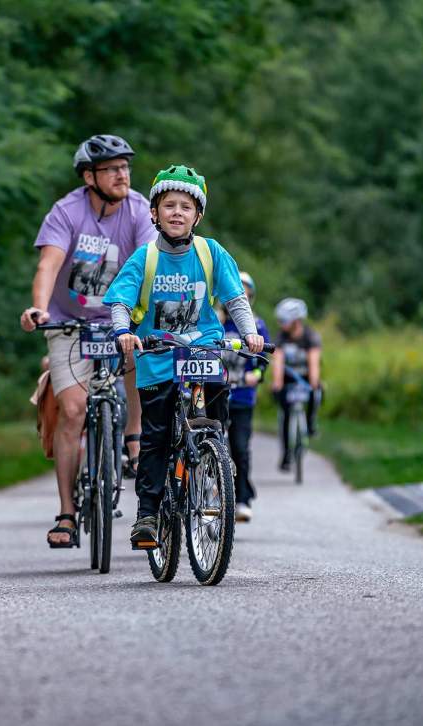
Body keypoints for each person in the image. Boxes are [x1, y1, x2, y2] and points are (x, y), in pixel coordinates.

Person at [103, 165, 264, 548]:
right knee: (156, 438)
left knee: (212, 423)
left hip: (203, 351)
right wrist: (124, 332)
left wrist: (251, 334)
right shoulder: (145, 258)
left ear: (198, 215)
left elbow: (234, 299)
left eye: (186, 207)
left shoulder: (211, 253)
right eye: (169, 205)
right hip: (157, 357)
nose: (177, 212)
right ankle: (147, 515)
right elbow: (121, 302)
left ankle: (210, 471)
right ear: (154, 214)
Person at [19, 134, 155, 547]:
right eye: (113, 168)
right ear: (89, 175)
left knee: (137, 350)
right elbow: (48, 265)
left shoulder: (137, 210)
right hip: (68, 323)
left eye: (125, 167)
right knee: (73, 411)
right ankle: (66, 513)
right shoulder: (67, 211)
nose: (123, 175)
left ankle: (133, 436)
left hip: (119, 320)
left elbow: (152, 260)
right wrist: (39, 309)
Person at [221, 272, 271, 522]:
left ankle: (242, 498)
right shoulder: (217, 323)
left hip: (242, 398)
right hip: (216, 394)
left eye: (245, 294)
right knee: (214, 445)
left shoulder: (257, 325)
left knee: (239, 448)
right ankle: (211, 494)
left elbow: (264, 358)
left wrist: (258, 374)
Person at [271, 297, 322, 471]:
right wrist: (277, 383)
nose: (281, 324)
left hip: (306, 378)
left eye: (284, 320)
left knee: (318, 391)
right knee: (285, 413)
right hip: (288, 379)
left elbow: (314, 363)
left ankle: (310, 421)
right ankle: (286, 454)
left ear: (296, 320)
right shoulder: (281, 337)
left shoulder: (310, 336)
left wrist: (314, 383)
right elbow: (277, 361)